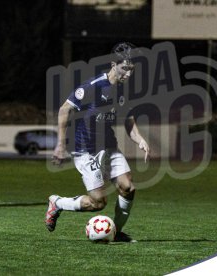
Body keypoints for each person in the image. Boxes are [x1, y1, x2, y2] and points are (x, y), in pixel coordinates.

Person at [45, 42, 150, 242]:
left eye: (132, 69)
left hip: (109, 145)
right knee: (98, 202)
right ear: (113, 64)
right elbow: (64, 109)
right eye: (125, 68)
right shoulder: (93, 86)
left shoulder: (124, 92)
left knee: (128, 187)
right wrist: (60, 144)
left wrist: (140, 139)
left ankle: (116, 233)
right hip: (86, 149)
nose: (128, 74)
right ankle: (57, 203)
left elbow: (128, 120)